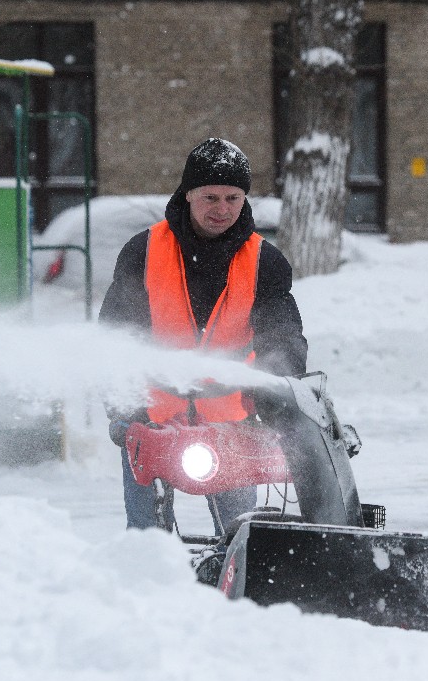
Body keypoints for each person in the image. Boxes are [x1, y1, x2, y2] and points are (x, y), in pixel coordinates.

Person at [99, 138, 308, 533]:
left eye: (233, 198)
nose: (222, 209)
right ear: (189, 194)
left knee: (241, 537)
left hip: (231, 426)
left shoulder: (265, 262)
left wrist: (277, 393)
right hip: (151, 421)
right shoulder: (144, 252)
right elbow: (116, 337)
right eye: (211, 197)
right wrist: (125, 410)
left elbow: (282, 336)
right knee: (146, 539)